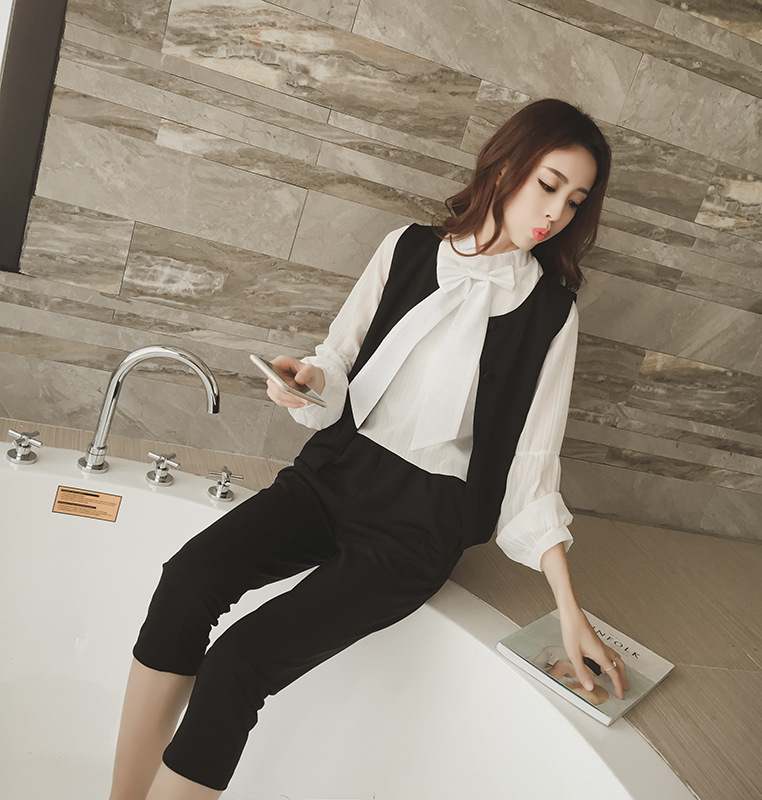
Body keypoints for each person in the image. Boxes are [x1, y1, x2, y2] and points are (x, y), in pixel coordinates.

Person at [108, 98, 630, 800]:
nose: (557, 213)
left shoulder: (550, 314)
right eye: (549, 184)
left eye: (575, 201)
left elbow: (532, 472)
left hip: (420, 526)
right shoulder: (406, 249)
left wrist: (569, 609)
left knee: (238, 662)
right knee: (185, 582)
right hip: (333, 475)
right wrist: (306, 382)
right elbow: (339, 363)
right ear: (507, 166)